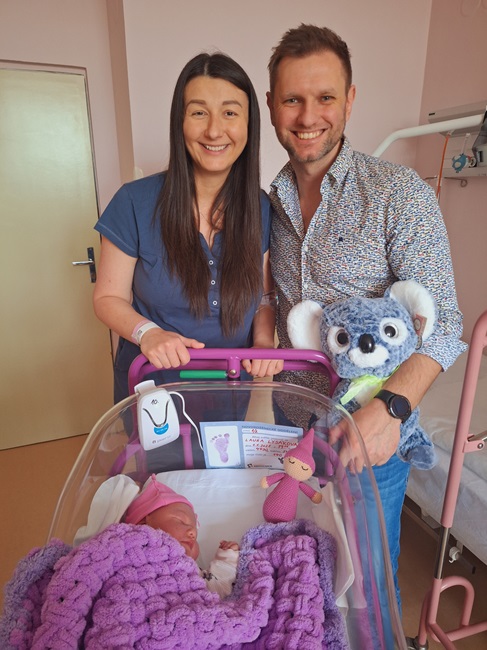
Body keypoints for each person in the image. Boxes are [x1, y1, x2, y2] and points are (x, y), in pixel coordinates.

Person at [266, 23, 467, 612]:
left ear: (350, 100)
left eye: (325, 97)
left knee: (368, 589)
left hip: (367, 432)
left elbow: (445, 325)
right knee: (299, 568)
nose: (308, 116)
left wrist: (391, 409)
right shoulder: (268, 203)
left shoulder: (398, 194)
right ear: (273, 104)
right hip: (292, 424)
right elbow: (266, 298)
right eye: (293, 99)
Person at [93, 52, 283, 406]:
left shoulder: (260, 207)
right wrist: (148, 333)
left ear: (249, 124)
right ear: (179, 122)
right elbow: (107, 298)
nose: (214, 130)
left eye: (230, 113)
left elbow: (263, 297)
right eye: (198, 113)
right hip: (152, 390)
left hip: (230, 388)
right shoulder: (134, 202)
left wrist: (261, 342)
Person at [124, 474, 239, 598]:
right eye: (181, 521)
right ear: (144, 524)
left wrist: (226, 560)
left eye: (195, 528)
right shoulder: (126, 554)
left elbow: (218, 589)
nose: (193, 532)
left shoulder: (193, 573)